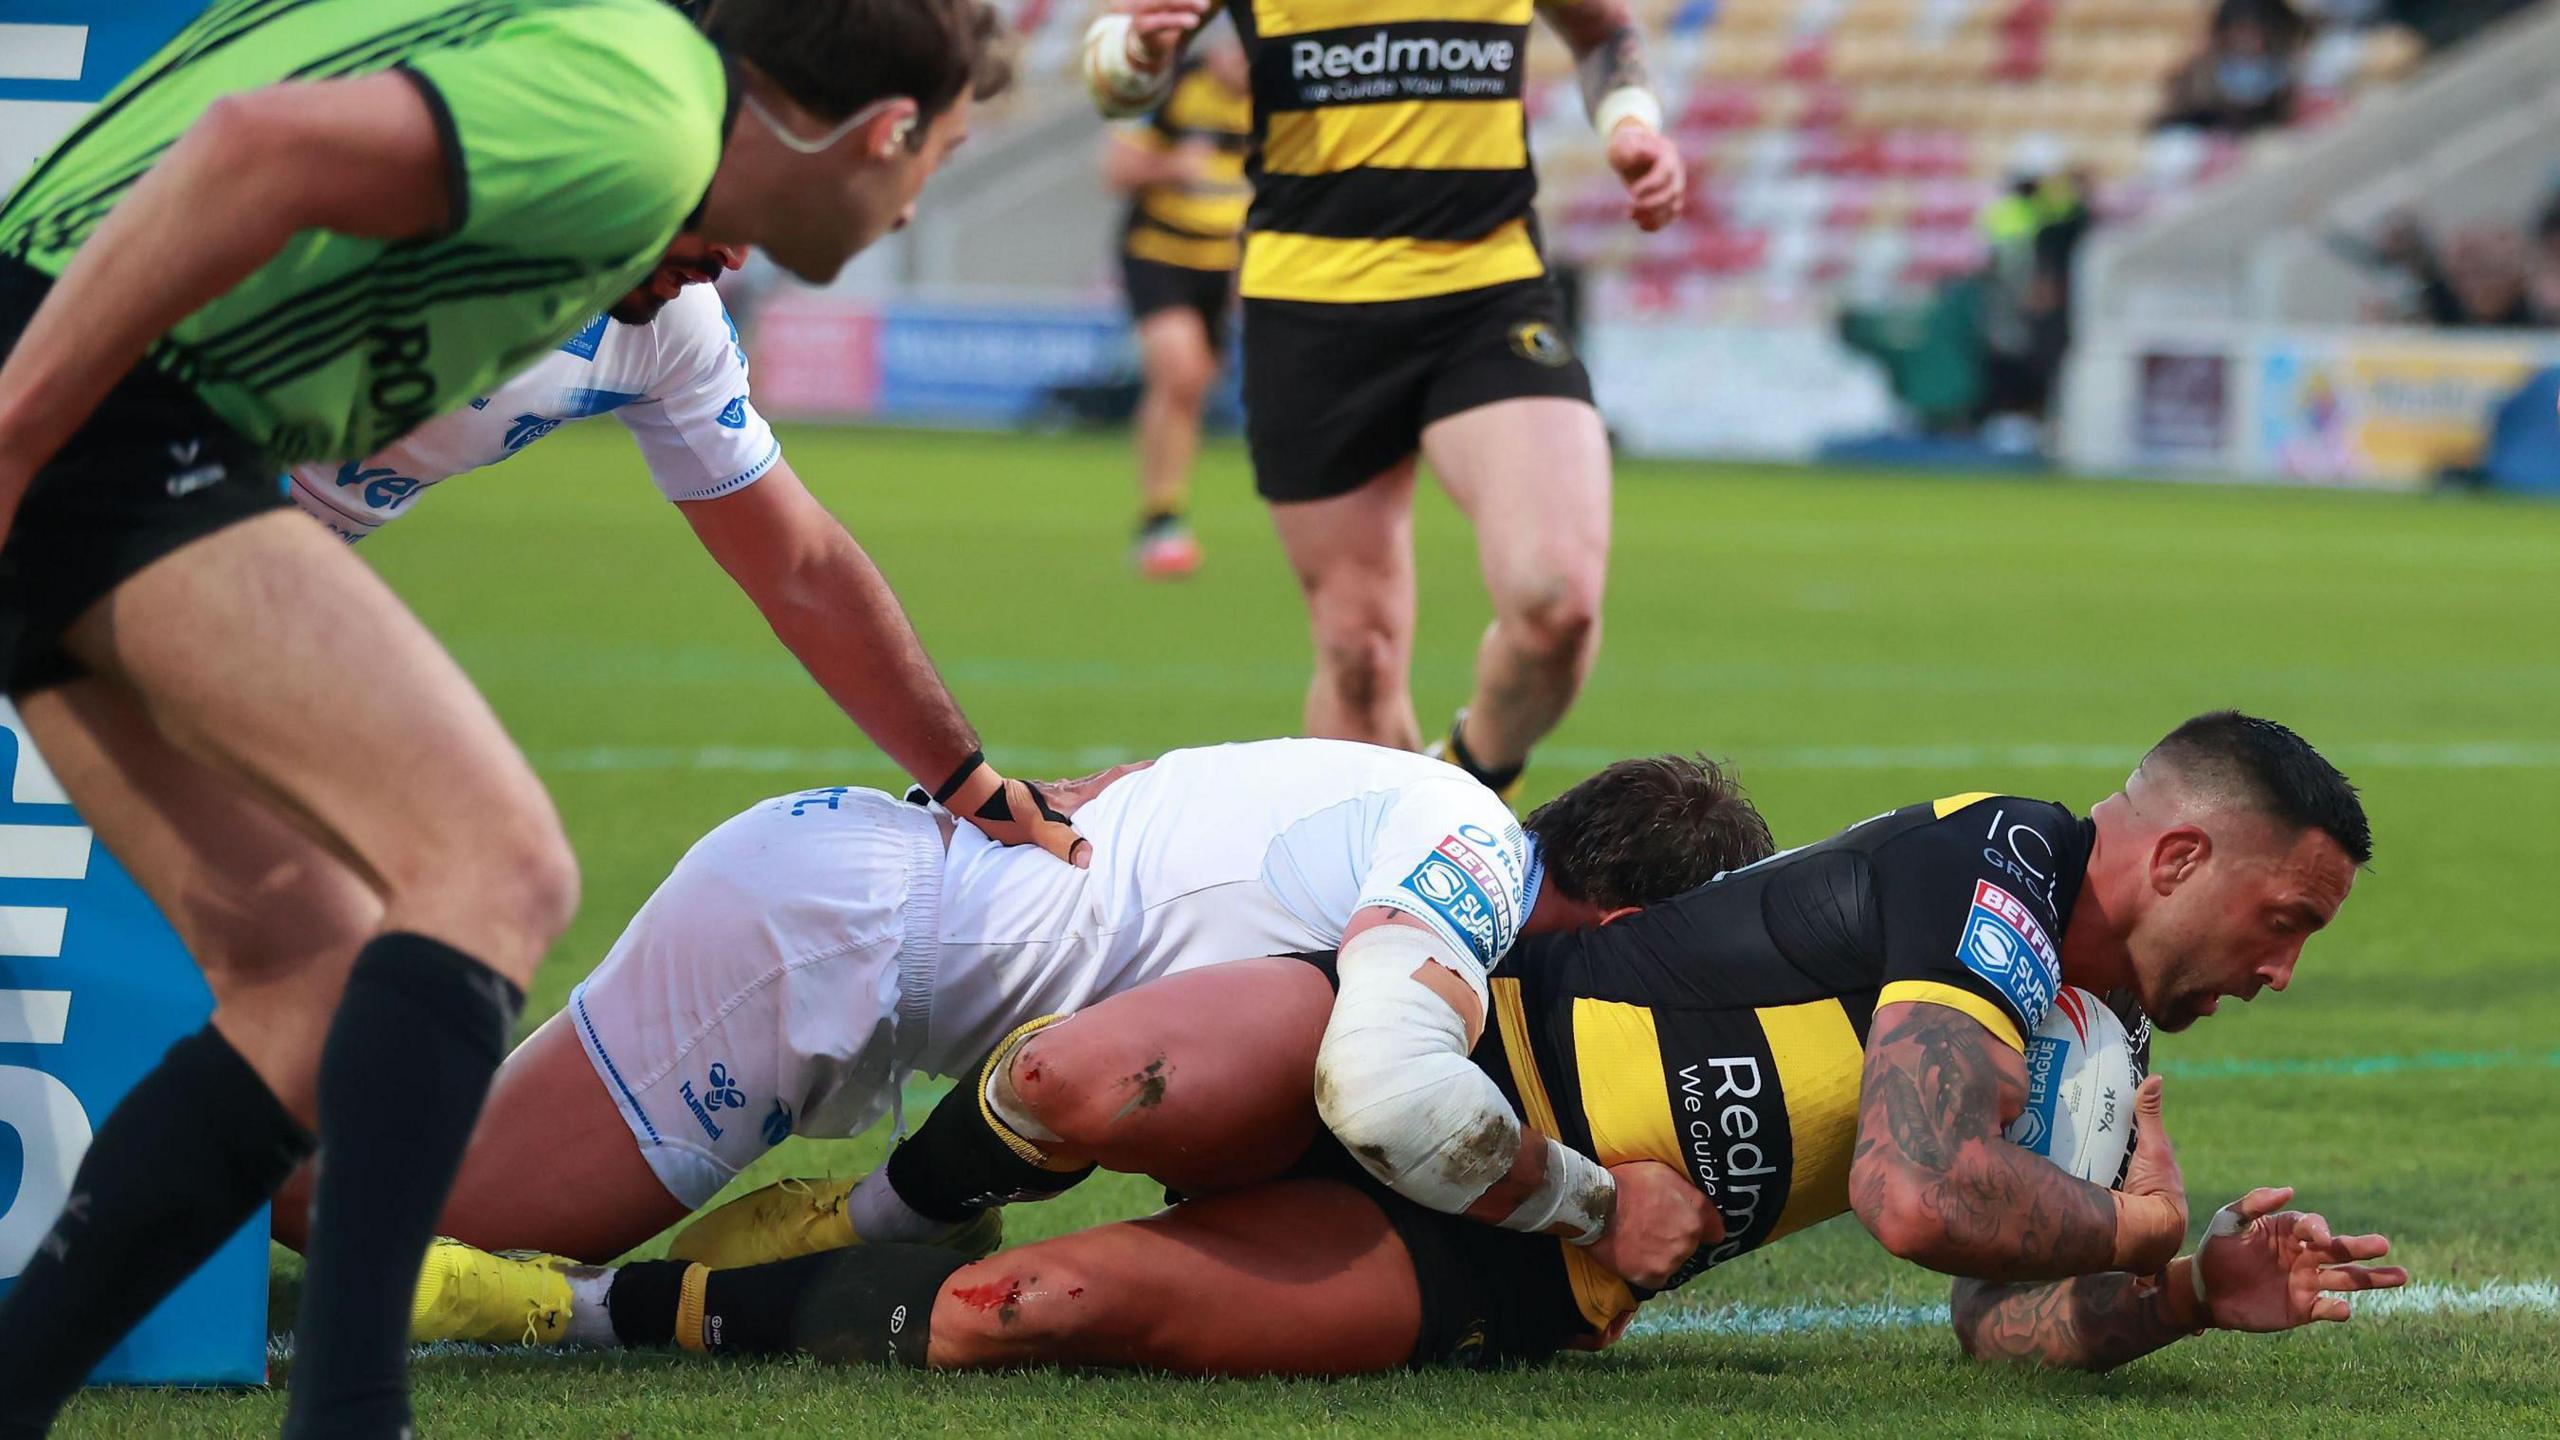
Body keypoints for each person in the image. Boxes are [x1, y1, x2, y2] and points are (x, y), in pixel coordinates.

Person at [0, 1, 1049, 1433]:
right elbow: (254, 140)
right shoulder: (647, 107)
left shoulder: (638, 182)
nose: (918, 203)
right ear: (885, 132)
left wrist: (969, 779)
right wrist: (15, 434)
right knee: (494, 864)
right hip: (98, 417)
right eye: (943, 155)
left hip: (119, 426)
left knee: (310, 982)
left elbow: (797, 562)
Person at [424, 712, 2401, 1378]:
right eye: (2282, 919)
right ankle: (858, 1208)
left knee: (1017, 1313)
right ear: (2170, 854)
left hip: (1522, 1274)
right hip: (1460, 1053)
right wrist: (2136, 1231)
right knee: (1082, 1078)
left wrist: (2178, 1297)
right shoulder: (1996, 869)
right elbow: (1913, 1191)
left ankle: (576, 1317)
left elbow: (1997, 1322)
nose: (2284, 967)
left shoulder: (2101, 1055)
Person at [314, 741, 1770, 1289]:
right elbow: (1390, 1094)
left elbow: (1127, 790)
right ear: (1630, 926)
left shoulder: (1422, 794)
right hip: (821, 949)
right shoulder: (1467, 870)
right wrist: (1592, 1206)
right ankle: (201, 1116)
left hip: (844, 905)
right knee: (393, 1225)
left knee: (416, 1181)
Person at [1082, 0, 1685, 799]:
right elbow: (1113, 80)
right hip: (1310, 309)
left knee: (1559, 602)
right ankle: (1403, 856)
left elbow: (1603, 29)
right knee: (1357, 656)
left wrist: (1631, 123)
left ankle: (1465, 785)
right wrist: (1136, 54)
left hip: (1487, 293)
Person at [1104, 32, 1253, 579]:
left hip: (1225, 263)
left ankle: (1165, 512)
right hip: (1159, 253)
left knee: (1190, 389)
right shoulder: (1173, 85)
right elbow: (1115, 171)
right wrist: (1171, 168)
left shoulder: (1276, 95)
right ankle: (1160, 517)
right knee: (1180, 370)